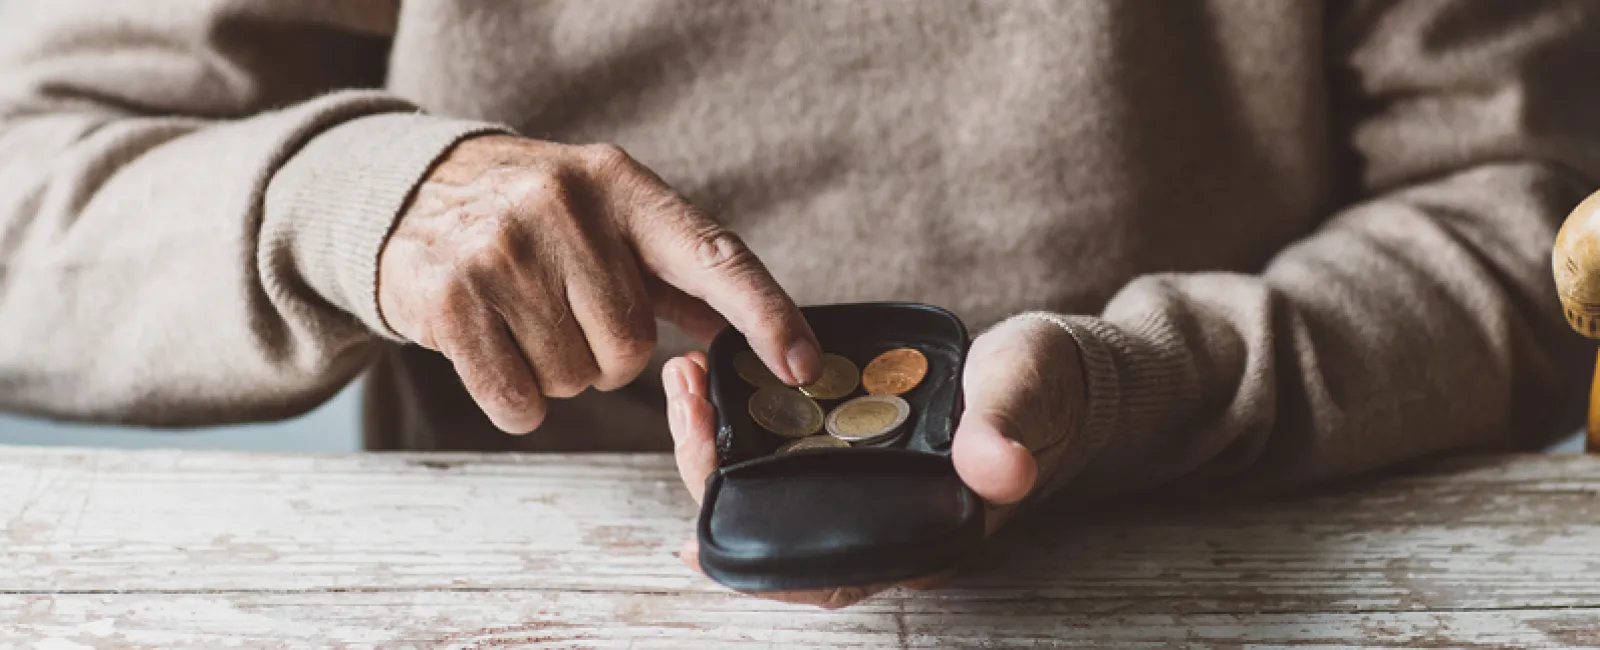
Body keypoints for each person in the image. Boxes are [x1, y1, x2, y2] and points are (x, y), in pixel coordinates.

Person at [1, 1, 1596, 607]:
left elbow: (1530, 223)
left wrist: (1146, 387)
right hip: (511, 588)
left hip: (1224, 569)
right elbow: (31, 191)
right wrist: (358, 200)